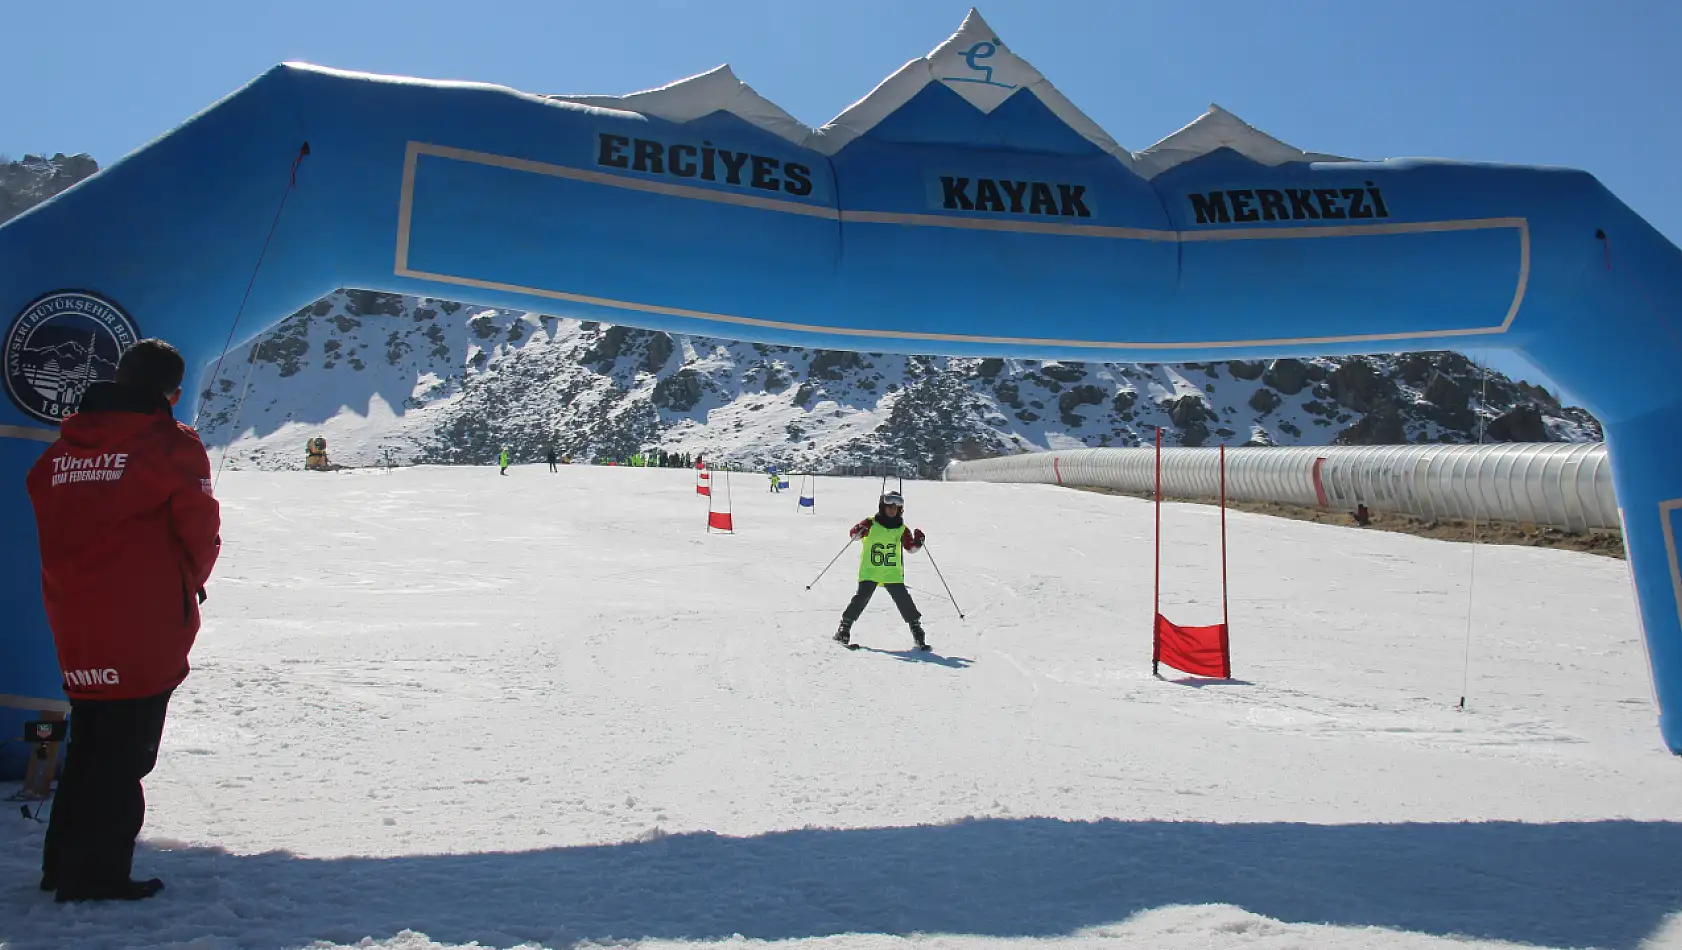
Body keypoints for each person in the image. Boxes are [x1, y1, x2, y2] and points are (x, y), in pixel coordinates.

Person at [25, 338, 221, 902]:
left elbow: (42, 494)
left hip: (75, 615)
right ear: (173, 394)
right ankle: (96, 875)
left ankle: (61, 864)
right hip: (142, 624)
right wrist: (187, 582)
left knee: (90, 739)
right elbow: (199, 531)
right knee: (124, 753)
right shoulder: (171, 446)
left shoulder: (63, 448)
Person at [835, 491, 928, 651]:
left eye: (896, 508)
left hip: (892, 572)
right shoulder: (871, 523)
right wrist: (859, 529)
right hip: (870, 570)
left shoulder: (901, 529)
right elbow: (853, 535)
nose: (892, 510)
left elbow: (910, 548)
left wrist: (918, 542)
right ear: (882, 507)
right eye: (889, 507)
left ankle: (917, 630)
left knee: (904, 600)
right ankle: (844, 628)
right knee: (861, 599)